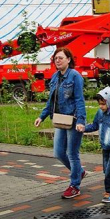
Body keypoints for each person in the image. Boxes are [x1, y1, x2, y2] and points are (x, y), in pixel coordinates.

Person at [34, 47, 86, 199]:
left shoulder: (75, 76)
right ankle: (79, 172)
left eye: (61, 58)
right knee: (58, 152)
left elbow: (79, 100)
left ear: (68, 60)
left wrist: (81, 121)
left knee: (72, 153)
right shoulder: (55, 77)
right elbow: (51, 100)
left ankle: (75, 186)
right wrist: (42, 116)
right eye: (56, 58)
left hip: (74, 119)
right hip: (60, 119)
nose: (57, 60)